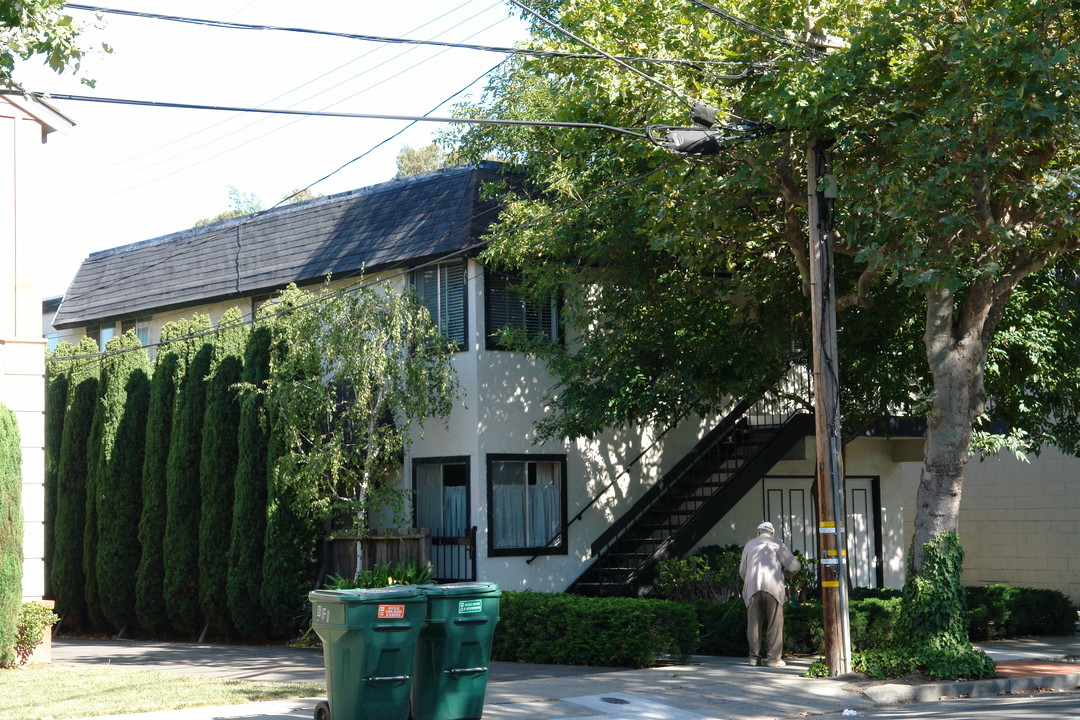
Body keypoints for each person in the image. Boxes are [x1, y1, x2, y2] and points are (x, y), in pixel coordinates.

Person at [740, 521, 800, 667]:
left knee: (753, 624)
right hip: (773, 588)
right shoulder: (777, 544)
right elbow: (795, 566)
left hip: (753, 589)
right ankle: (773, 659)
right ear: (772, 533)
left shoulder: (749, 545)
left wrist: (749, 580)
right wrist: (784, 575)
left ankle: (754, 658)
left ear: (757, 532)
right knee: (774, 623)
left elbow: (743, 570)